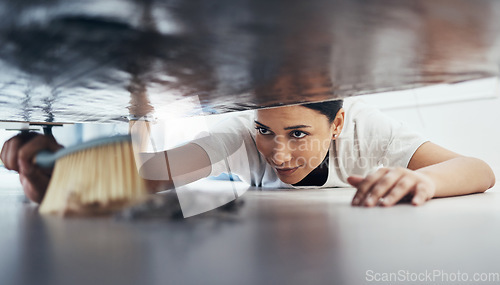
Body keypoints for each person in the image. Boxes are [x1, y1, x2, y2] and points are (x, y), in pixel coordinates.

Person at [1, 98, 495, 207]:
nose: (278, 153)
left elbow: (479, 169)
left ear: (337, 123)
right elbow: (156, 175)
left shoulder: (370, 132)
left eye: (298, 134)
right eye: (266, 130)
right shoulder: (238, 133)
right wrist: (59, 166)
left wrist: (425, 181)